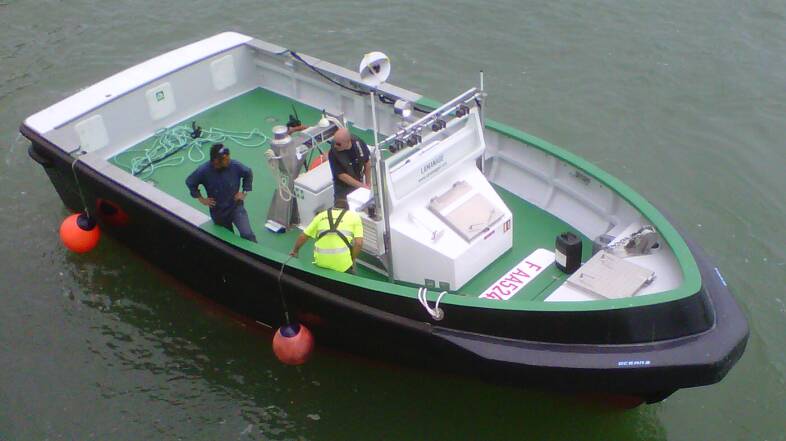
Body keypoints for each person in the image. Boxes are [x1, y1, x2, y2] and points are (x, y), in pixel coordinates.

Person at [185, 143, 257, 242]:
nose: (229, 160)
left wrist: (244, 192)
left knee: (247, 234)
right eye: (225, 159)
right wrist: (201, 199)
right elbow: (190, 182)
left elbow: (248, 172)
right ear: (216, 161)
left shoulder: (235, 165)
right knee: (228, 239)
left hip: (235, 207)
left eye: (228, 157)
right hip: (218, 212)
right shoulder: (203, 171)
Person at [289, 198, 363, 273]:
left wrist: (295, 251)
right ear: (348, 209)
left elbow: (303, 236)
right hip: (342, 265)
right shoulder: (354, 217)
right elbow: (359, 244)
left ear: (334, 207)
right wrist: (351, 259)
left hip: (321, 262)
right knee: (352, 264)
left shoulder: (321, 215)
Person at [327, 128, 371, 202]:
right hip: (343, 187)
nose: (335, 146)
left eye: (338, 144)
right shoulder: (333, 153)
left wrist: (368, 184)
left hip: (358, 180)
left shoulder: (359, 144)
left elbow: (367, 162)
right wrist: (363, 186)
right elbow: (342, 176)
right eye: (334, 142)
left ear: (348, 142)